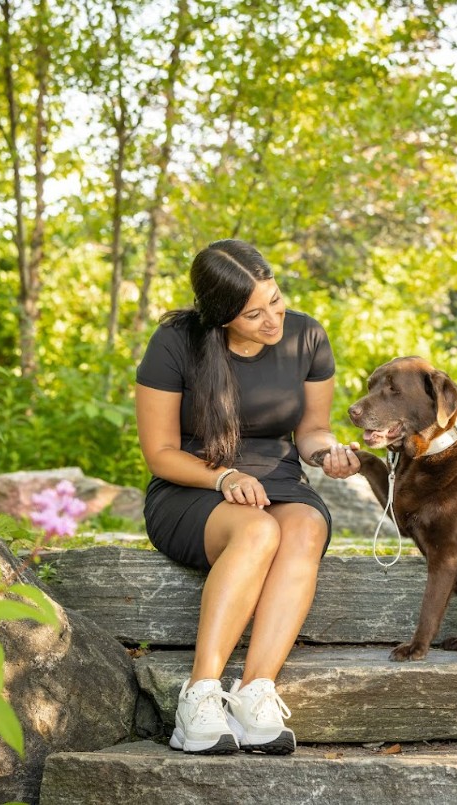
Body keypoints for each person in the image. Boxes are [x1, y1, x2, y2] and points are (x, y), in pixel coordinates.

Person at [135, 238, 361, 756]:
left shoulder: (307, 337)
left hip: (278, 481)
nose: (272, 320)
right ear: (219, 316)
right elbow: (161, 451)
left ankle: (256, 691)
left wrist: (329, 453)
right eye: (252, 313)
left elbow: (312, 431)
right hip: (191, 485)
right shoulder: (175, 342)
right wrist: (223, 478)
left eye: (276, 300)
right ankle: (199, 696)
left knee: (304, 526)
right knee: (259, 529)